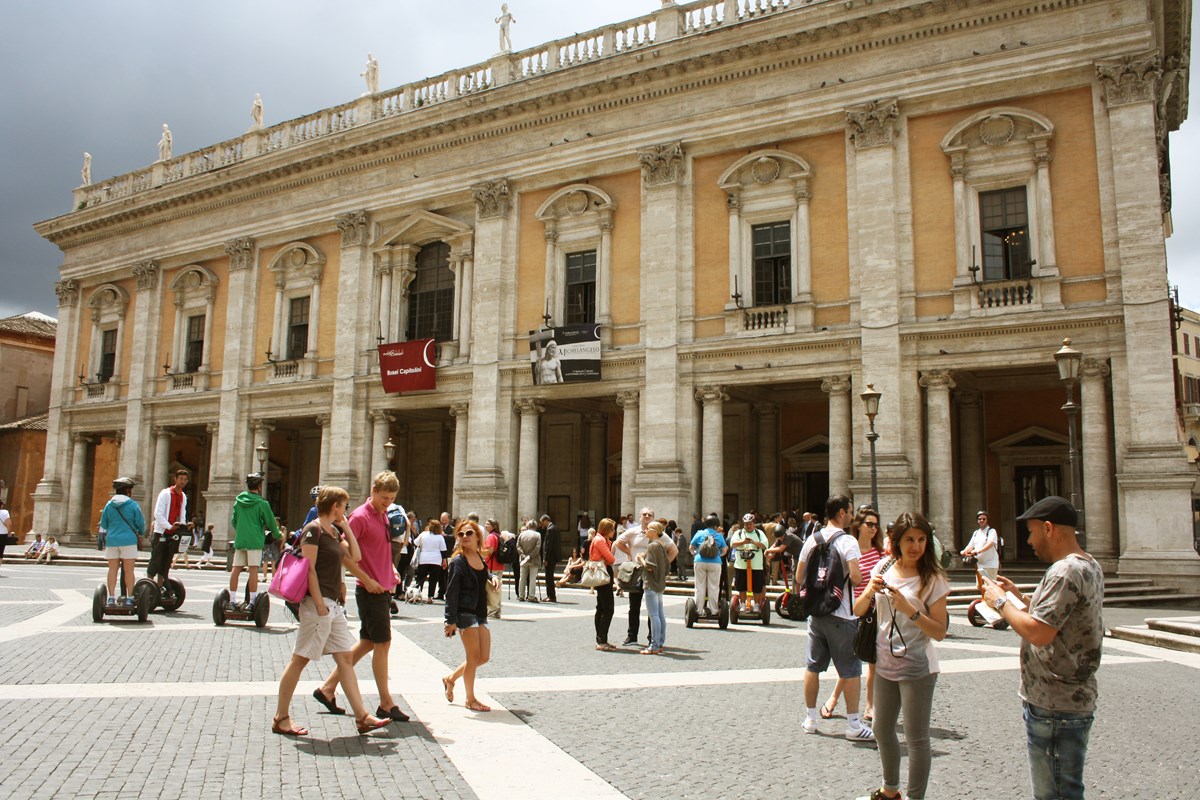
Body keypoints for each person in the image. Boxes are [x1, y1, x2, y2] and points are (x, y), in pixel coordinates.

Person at [981, 496, 1103, 800]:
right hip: (1067, 699)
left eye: (1032, 531)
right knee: (1066, 788)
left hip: (1054, 703)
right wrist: (1020, 598)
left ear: (1049, 528)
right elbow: (1064, 618)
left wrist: (998, 601)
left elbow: (1039, 632)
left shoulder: (1064, 572)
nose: (1029, 540)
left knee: (1055, 793)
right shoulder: (1089, 564)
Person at [271, 486, 390, 737]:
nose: (346, 510)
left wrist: (346, 527)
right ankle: (281, 717)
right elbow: (309, 568)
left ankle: (361, 716)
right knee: (300, 659)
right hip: (319, 604)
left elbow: (355, 556)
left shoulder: (332, 531)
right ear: (334, 505)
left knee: (345, 658)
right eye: (344, 506)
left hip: (333, 604)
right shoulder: (312, 529)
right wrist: (318, 602)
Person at [853, 512, 950, 800]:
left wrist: (910, 610)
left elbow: (940, 631)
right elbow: (858, 611)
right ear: (896, 542)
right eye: (909, 539)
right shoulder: (884, 567)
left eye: (922, 540)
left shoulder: (933, 579)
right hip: (884, 662)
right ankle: (890, 790)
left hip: (918, 666)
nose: (916, 546)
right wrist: (870, 589)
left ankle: (915, 797)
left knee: (917, 738)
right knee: (882, 729)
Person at [318, 471, 410, 724]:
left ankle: (327, 689)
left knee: (369, 643)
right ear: (373, 490)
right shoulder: (359, 517)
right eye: (384, 497)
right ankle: (385, 703)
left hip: (382, 586)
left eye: (391, 498)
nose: (387, 503)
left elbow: (377, 550)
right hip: (370, 590)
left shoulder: (383, 515)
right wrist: (366, 578)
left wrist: (389, 569)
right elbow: (343, 553)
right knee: (383, 644)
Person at [797, 494, 872, 741]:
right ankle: (853, 724)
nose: (851, 516)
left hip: (816, 613)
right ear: (841, 513)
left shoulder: (811, 540)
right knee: (850, 670)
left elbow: (799, 577)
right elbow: (858, 578)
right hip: (841, 613)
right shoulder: (848, 541)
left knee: (813, 667)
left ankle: (810, 719)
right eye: (849, 512)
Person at [821, 507, 886, 721]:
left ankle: (870, 706)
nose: (874, 529)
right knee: (852, 659)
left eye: (876, 525)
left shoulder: (880, 553)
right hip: (853, 610)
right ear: (858, 526)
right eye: (869, 524)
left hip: (874, 611)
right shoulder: (850, 548)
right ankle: (833, 697)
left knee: (872, 660)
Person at [442, 521, 496, 712]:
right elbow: (451, 592)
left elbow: (483, 575)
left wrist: (492, 577)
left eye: (469, 533)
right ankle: (470, 699)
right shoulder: (458, 561)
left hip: (480, 612)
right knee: (472, 657)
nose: (464, 536)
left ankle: (450, 679)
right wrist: (450, 620)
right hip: (465, 612)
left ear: (477, 536)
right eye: (461, 534)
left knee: (483, 657)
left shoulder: (480, 558)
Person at [614, 507, 679, 646]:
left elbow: (674, 550)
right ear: (640, 516)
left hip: (651, 574)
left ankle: (652, 637)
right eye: (644, 514)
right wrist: (629, 554)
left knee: (653, 609)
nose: (647, 516)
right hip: (636, 572)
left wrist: (663, 566)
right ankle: (632, 636)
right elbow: (618, 542)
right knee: (634, 606)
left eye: (650, 515)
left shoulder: (660, 535)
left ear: (653, 517)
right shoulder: (632, 532)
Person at [228, 472, 280, 608]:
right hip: (255, 541)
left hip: (240, 539)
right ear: (259, 486)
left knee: (236, 569)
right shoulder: (262, 503)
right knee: (253, 571)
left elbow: (234, 521)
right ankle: (252, 601)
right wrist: (278, 534)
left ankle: (232, 600)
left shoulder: (238, 501)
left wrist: (241, 530)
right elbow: (271, 523)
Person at [98, 477, 144, 606]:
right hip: (128, 541)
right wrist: (140, 531)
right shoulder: (133, 505)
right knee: (129, 570)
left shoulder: (108, 505)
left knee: (112, 570)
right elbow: (140, 524)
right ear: (128, 490)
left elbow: (104, 524)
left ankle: (111, 597)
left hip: (112, 541)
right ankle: (130, 597)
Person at [150, 469, 192, 592]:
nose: (183, 482)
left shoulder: (183, 496)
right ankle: (149, 584)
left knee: (167, 561)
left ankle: (159, 586)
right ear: (175, 479)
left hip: (173, 534)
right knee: (156, 560)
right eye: (181, 479)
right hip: (161, 532)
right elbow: (158, 513)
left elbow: (182, 514)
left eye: (185, 480)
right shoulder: (165, 494)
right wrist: (169, 526)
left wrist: (184, 526)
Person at [637, 521, 669, 655]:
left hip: (650, 583)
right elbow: (667, 567)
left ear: (655, 532)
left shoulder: (652, 546)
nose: (645, 530)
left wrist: (640, 559)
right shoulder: (662, 545)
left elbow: (650, 567)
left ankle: (654, 645)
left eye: (648, 529)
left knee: (653, 615)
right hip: (660, 583)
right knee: (660, 614)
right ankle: (660, 642)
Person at [689, 513, 728, 615]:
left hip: (700, 561)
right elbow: (725, 550)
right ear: (716, 525)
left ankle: (698, 610)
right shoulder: (718, 535)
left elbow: (691, 548)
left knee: (700, 586)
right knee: (714, 587)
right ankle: (714, 610)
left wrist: (694, 554)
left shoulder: (699, 533)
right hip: (715, 563)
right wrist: (720, 555)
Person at [730, 513, 768, 613]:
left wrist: (753, 542)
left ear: (754, 523)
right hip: (741, 564)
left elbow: (765, 545)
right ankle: (742, 603)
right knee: (741, 585)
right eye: (746, 524)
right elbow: (733, 544)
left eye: (750, 524)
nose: (748, 526)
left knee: (757, 586)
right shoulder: (738, 533)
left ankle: (756, 604)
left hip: (756, 565)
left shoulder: (759, 533)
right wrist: (743, 542)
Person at [590, 519, 618, 650]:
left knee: (601, 608)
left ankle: (601, 639)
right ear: (607, 530)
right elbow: (611, 559)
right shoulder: (600, 541)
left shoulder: (599, 539)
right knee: (608, 609)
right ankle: (601, 640)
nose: (614, 531)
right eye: (612, 529)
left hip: (602, 575)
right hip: (603, 576)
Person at [962, 510, 1000, 598]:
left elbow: (990, 543)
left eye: (984, 519)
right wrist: (964, 551)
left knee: (991, 587)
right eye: (980, 519)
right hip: (980, 565)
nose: (982, 520)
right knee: (980, 586)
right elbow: (970, 545)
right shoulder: (976, 533)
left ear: (987, 520)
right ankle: (985, 601)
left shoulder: (991, 531)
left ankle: (991, 603)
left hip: (990, 564)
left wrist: (978, 551)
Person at [414, 520, 447, 603]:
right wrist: (444, 560)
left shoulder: (423, 534)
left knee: (421, 577)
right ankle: (430, 597)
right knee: (433, 579)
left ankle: (417, 594)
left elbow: (415, 542)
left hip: (424, 558)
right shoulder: (440, 537)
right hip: (436, 559)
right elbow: (443, 550)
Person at [483, 519, 505, 618]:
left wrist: (480, 553)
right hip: (499, 564)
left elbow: (490, 551)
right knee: (497, 589)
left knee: (491, 589)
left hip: (491, 565)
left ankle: (492, 610)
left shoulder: (491, 536)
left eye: (488, 524)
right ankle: (497, 611)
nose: (485, 525)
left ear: (493, 526)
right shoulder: (499, 536)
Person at [517, 520, 542, 602]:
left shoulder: (522, 534)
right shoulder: (538, 535)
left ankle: (521, 595)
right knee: (532, 579)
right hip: (533, 559)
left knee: (522, 578)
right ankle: (531, 596)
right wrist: (530, 556)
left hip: (523, 559)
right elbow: (537, 548)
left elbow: (518, 546)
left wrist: (523, 555)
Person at [540, 514, 561, 602]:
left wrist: (546, 559)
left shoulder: (550, 529)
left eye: (542, 523)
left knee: (549, 577)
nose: (542, 525)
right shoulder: (555, 528)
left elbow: (549, 546)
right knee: (550, 576)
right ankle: (551, 595)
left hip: (551, 557)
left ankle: (551, 596)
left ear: (545, 520)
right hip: (554, 556)